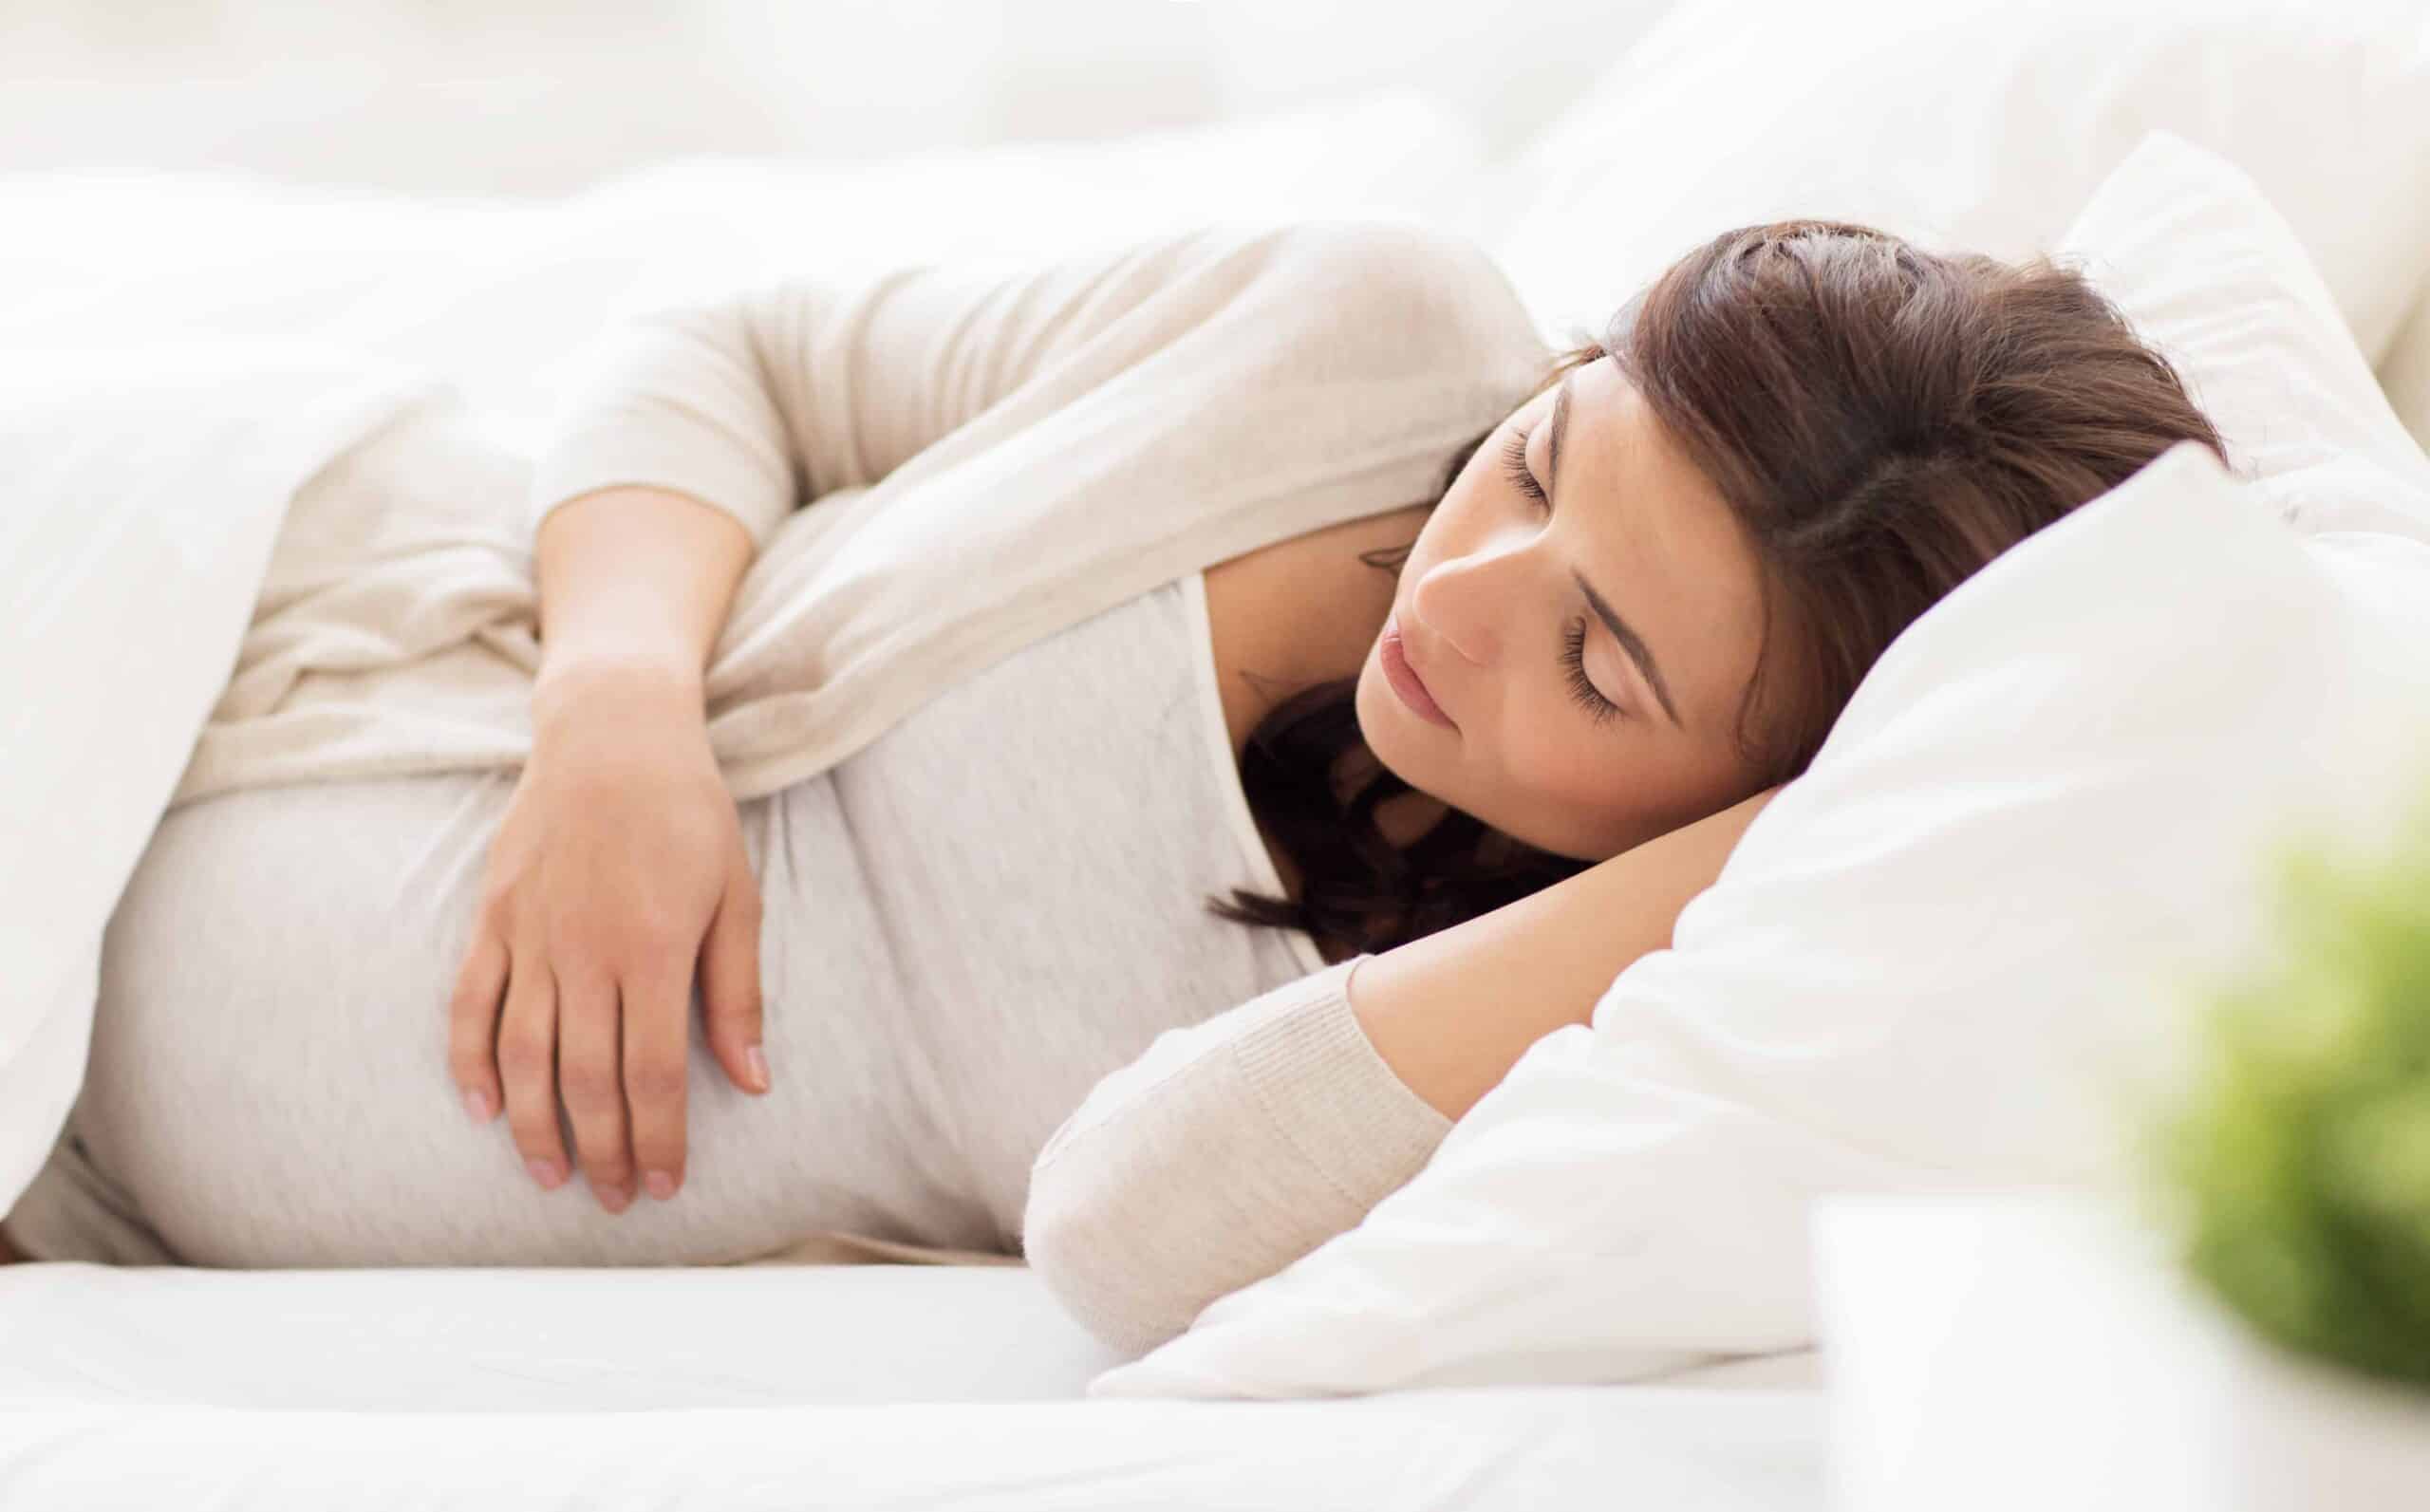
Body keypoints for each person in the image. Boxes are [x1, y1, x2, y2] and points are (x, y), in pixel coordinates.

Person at [0, 216, 2224, 1353]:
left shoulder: (1584, 1014)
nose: (1469, 598)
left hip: (62, 1168)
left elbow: (1130, 1231)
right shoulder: (1354, 334)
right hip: (202, 619)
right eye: (1542, 461)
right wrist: (618, 715)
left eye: (1602, 664)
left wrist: (1783, 844)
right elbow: (738, 353)